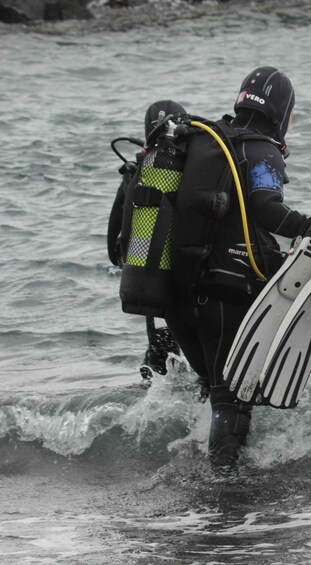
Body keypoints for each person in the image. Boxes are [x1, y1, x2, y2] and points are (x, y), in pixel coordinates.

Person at [163, 66, 311, 466]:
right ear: (282, 111)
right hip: (224, 291)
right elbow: (265, 208)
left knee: (213, 384)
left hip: (181, 288)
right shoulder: (261, 149)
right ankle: (225, 492)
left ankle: (196, 471)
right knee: (232, 397)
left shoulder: (209, 141)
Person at [107, 100, 183, 385]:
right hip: (188, 277)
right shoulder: (190, 167)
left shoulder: (136, 171)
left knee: (159, 353)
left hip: (148, 276)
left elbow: (114, 236)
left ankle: (152, 388)